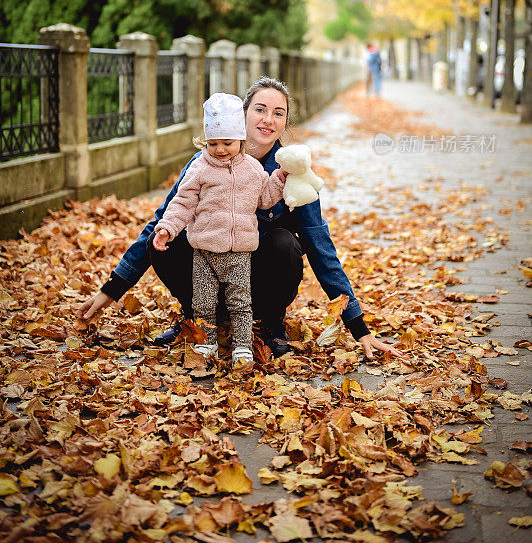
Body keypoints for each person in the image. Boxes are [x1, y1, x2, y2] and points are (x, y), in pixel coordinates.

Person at [78, 76, 404, 362]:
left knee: (284, 243)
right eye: (260, 109)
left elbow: (321, 248)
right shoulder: (204, 162)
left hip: (258, 279)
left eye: (279, 113)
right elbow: (163, 218)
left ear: (285, 123)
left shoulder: (292, 175)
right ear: (243, 115)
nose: (268, 119)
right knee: (164, 235)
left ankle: (269, 322)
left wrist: (360, 329)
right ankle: (197, 317)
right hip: (208, 266)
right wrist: (112, 289)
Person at [151, 92, 286, 367]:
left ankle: (242, 346)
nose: (221, 149)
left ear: (240, 140)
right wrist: (167, 228)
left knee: (240, 302)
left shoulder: (252, 169)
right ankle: (207, 342)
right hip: (204, 252)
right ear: (205, 141)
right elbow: (182, 203)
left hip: (239, 253)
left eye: (227, 142)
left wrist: (280, 179)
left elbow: (265, 197)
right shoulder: (200, 169)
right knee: (203, 302)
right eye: (213, 143)